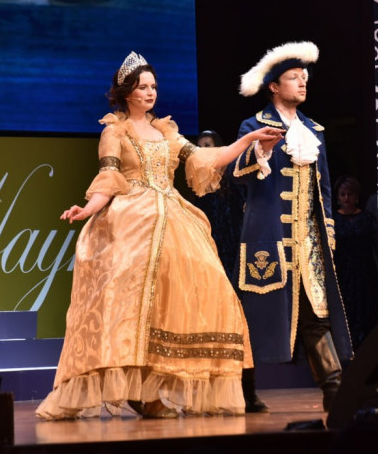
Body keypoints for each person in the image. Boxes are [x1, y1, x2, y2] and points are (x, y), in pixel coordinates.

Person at [35, 51, 284, 420]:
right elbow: (109, 179)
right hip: (132, 219)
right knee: (134, 305)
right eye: (142, 87)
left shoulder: (167, 132)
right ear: (127, 93)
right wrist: (86, 209)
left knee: (194, 292)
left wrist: (248, 140)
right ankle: (142, 392)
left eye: (153, 86)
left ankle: (155, 390)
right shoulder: (115, 132)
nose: (150, 93)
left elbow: (205, 159)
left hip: (173, 217)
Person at [230, 41, 353, 413]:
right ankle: (245, 392)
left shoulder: (313, 130)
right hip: (267, 238)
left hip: (308, 242)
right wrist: (261, 151)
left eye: (304, 77)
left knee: (318, 315)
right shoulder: (254, 125)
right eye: (293, 78)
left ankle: (335, 390)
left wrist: (327, 231)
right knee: (256, 316)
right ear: (274, 86)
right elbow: (237, 173)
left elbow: (324, 187)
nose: (302, 83)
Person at [332, 175, 378, 351]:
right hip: (342, 272)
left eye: (350, 194)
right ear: (338, 197)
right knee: (346, 310)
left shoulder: (367, 218)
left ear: (357, 196)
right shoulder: (333, 220)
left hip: (364, 272)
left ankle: (366, 349)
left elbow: (375, 244)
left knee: (366, 308)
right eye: (343, 194)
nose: (347, 198)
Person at [191, 130, 246, 280]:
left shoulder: (231, 168)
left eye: (207, 145)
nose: (203, 150)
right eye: (200, 146)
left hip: (232, 231)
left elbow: (241, 200)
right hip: (211, 232)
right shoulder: (198, 175)